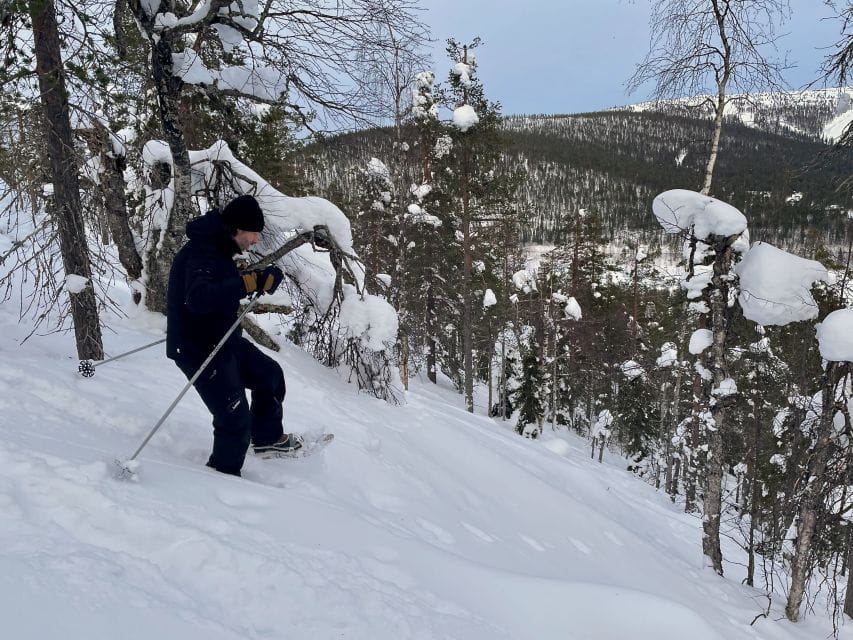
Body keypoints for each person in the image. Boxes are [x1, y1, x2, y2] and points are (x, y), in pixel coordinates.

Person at [166, 194, 301, 477]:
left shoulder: (219, 248)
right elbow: (199, 298)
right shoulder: (201, 253)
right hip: (197, 348)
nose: (255, 241)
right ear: (237, 228)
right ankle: (222, 479)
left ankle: (267, 441)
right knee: (233, 418)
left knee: (270, 375)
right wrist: (247, 283)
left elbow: (223, 284)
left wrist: (259, 279)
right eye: (253, 234)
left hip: (223, 339)